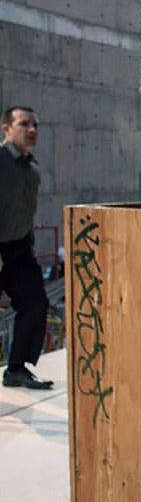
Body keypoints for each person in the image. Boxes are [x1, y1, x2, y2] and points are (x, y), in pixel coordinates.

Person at [0, 106, 53, 390]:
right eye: (24, 124)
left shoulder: (32, 169)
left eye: (35, 125)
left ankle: (17, 369)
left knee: (35, 303)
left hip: (19, 249)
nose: (32, 130)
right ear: (6, 129)